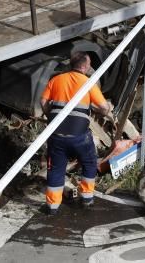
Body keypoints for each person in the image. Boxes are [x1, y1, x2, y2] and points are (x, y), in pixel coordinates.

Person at [40, 52, 113, 216]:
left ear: (71, 64)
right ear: (86, 66)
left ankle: (52, 207)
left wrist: (50, 116)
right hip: (79, 137)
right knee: (89, 162)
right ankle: (86, 198)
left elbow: (43, 101)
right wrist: (103, 108)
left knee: (56, 169)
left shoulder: (56, 80)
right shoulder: (88, 83)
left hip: (57, 136)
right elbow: (103, 108)